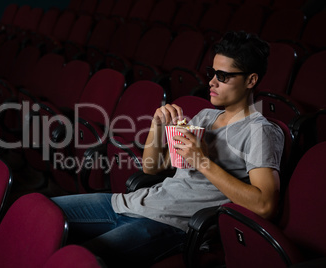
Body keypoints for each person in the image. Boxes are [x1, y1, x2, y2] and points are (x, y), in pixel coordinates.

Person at [51, 31, 284, 267]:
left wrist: (202, 161)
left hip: (172, 225)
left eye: (223, 76)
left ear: (251, 80)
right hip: (135, 202)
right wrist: (157, 126)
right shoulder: (204, 116)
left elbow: (265, 205)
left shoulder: (261, 131)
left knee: (78, 259)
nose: (212, 82)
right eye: (211, 73)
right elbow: (151, 168)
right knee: (43, 214)